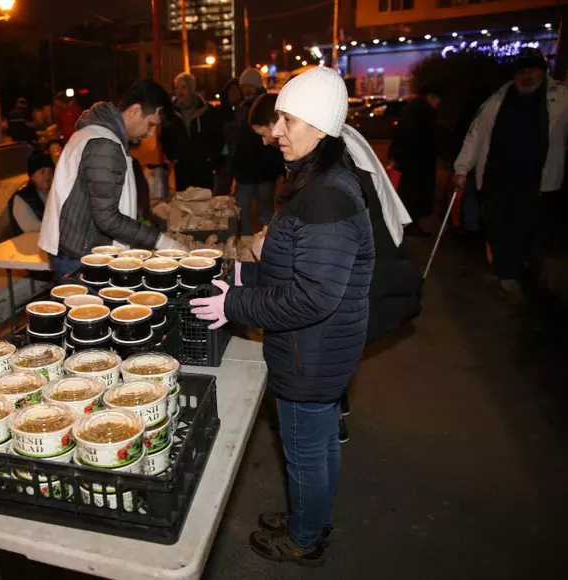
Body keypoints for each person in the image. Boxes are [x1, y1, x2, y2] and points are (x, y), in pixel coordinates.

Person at [189, 67, 375, 565]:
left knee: (305, 450)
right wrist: (243, 279)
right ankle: (311, 518)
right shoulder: (317, 181)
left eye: (286, 120)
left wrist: (233, 303)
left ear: (318, 126)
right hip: (318, 349)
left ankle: (304, 537)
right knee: (320, 444)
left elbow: (313, 296)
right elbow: (293, 266)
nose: (275, 132)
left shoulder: (327, 197)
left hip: (310, 354)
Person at [455, 47, 568, 304]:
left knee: (521, 228)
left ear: (542, 71)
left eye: (532, 70)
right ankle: (505, 272)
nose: (526, 76)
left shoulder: (561, 97)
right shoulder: (498, 99)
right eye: (521, 71)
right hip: (496, 175)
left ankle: (508, 277)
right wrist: (463, 167)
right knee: (494, 226)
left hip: (534, 180)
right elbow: (476, 134)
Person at [38, 80, 185, 277]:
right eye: (151, 125)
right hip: (81, 256)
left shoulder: (99, 134)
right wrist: (161, 241)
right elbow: (107, 217)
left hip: (77, 249)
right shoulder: (104, 144)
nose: (150, 134)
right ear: (134, 110)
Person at [233, 67, 284, 234]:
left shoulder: (267, 108)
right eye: (243, 86)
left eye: (249, 86)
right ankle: (248, 249)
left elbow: (274, 150)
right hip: (244, 171)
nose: (246, 90)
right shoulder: (241, 108)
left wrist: (274, 170)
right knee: (243, 214)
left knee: (265, 213)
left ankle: (268, 247)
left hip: (264, 172)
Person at [389, 85, 443, 236]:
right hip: (418, 162)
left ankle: (408, 224)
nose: (438, 104)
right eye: (437, 100)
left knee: (409, 192)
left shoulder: (411, 111)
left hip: (410, 160)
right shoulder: (423, 114)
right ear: (431, 97)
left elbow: (401, 135)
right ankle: (411, 225)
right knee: (415, 194)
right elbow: (422, 139)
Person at [159, 72, 224, 192]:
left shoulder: (207, 111)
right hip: (182, 167)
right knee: (185, 204)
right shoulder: (171, 113)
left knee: (203, 203)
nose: (179, 91)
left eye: (184, 87)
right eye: (177, 87)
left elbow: (218, 136)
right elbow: (165, 137)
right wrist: (172, 156)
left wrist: (211, 158)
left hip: (203, 167)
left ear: (192, 88)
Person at [9, 152, 54, 235]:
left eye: (50, 172)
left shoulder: (55, 194)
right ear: (32, 175)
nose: (47, 176)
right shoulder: (22, 198)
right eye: (42, 172)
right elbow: (31, 227)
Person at [215, 78, 242, 195]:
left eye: (237, 90)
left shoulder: (245, 110)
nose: (234, 93)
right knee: (221, 193)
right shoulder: (219, 112)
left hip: (242, 159)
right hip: (224, 159)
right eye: (231, 90)